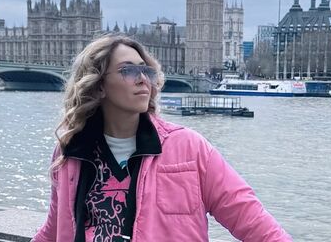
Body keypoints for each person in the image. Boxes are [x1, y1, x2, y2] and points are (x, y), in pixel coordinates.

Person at [32, 34, 292, 242]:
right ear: (99, 85)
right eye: (128, 71)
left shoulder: (189, 147)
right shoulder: (70, 153)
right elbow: (55, 229)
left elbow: (250, 218)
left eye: (146, 71)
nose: (142, 79)